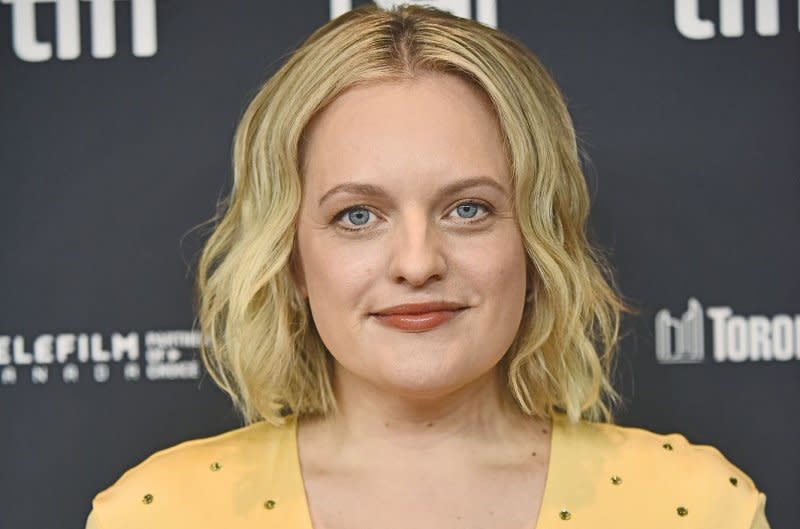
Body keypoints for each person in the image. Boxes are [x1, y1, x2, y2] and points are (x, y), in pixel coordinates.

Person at [85, 4, 770, 529]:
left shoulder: (694, 506)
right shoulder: (157, 512)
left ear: (535, 239)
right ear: (291, 257)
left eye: (468, 209)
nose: (417, 262)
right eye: (358, 215)